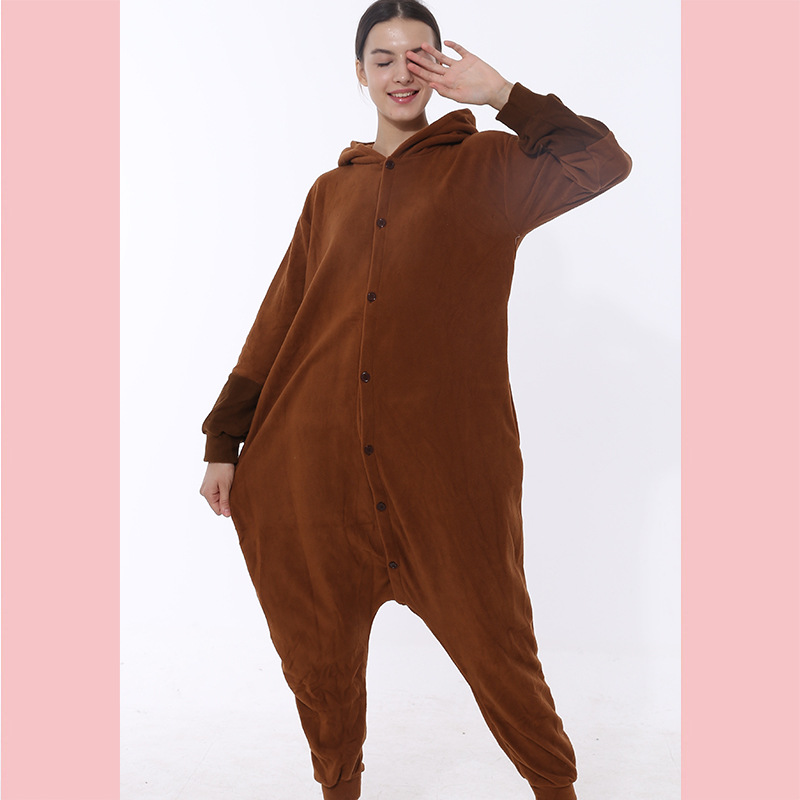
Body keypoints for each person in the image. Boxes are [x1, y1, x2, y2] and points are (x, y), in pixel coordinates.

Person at [199, 1, 632, 798]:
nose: (402, 73)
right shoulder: (331, 193)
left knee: (500, 651)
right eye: (384, 58)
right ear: (359, 72)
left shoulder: (490, 169)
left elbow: (601, 162)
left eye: (420, 57)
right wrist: (224, 442)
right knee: (318, 664)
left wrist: (503, 95)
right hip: (316, 474)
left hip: (447, 479)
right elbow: (280, 320)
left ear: (441, 67)